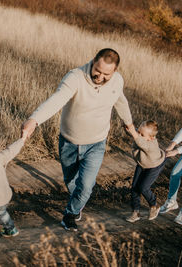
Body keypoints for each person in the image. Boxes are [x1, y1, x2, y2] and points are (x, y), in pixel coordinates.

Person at [22, 48, 133, 231]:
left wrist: (128, 123)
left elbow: (120, 100)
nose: (100, 76)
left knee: (87, 186)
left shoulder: (117, 81)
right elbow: (56, 100)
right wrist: (34, 120)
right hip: (69, 142)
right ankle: (77, 201)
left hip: (97, 143)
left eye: (106, 73)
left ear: (114, 71)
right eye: (98, 70)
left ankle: (70, 214)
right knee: (72, 181)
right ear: (93, 61)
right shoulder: (75, 77)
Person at [125, 120, 166, 223]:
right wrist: (128, 129)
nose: (138, 135)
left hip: (154, 166)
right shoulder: (141, 137)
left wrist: (134, 133)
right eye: (138, 132)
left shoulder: (151, 145)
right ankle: (136, 212)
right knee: (135, 187)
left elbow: (141, 143)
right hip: (142, 163)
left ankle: (154, 205)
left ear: (151, 138)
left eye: (142, 134)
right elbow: (136, 136)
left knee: (143, 187)